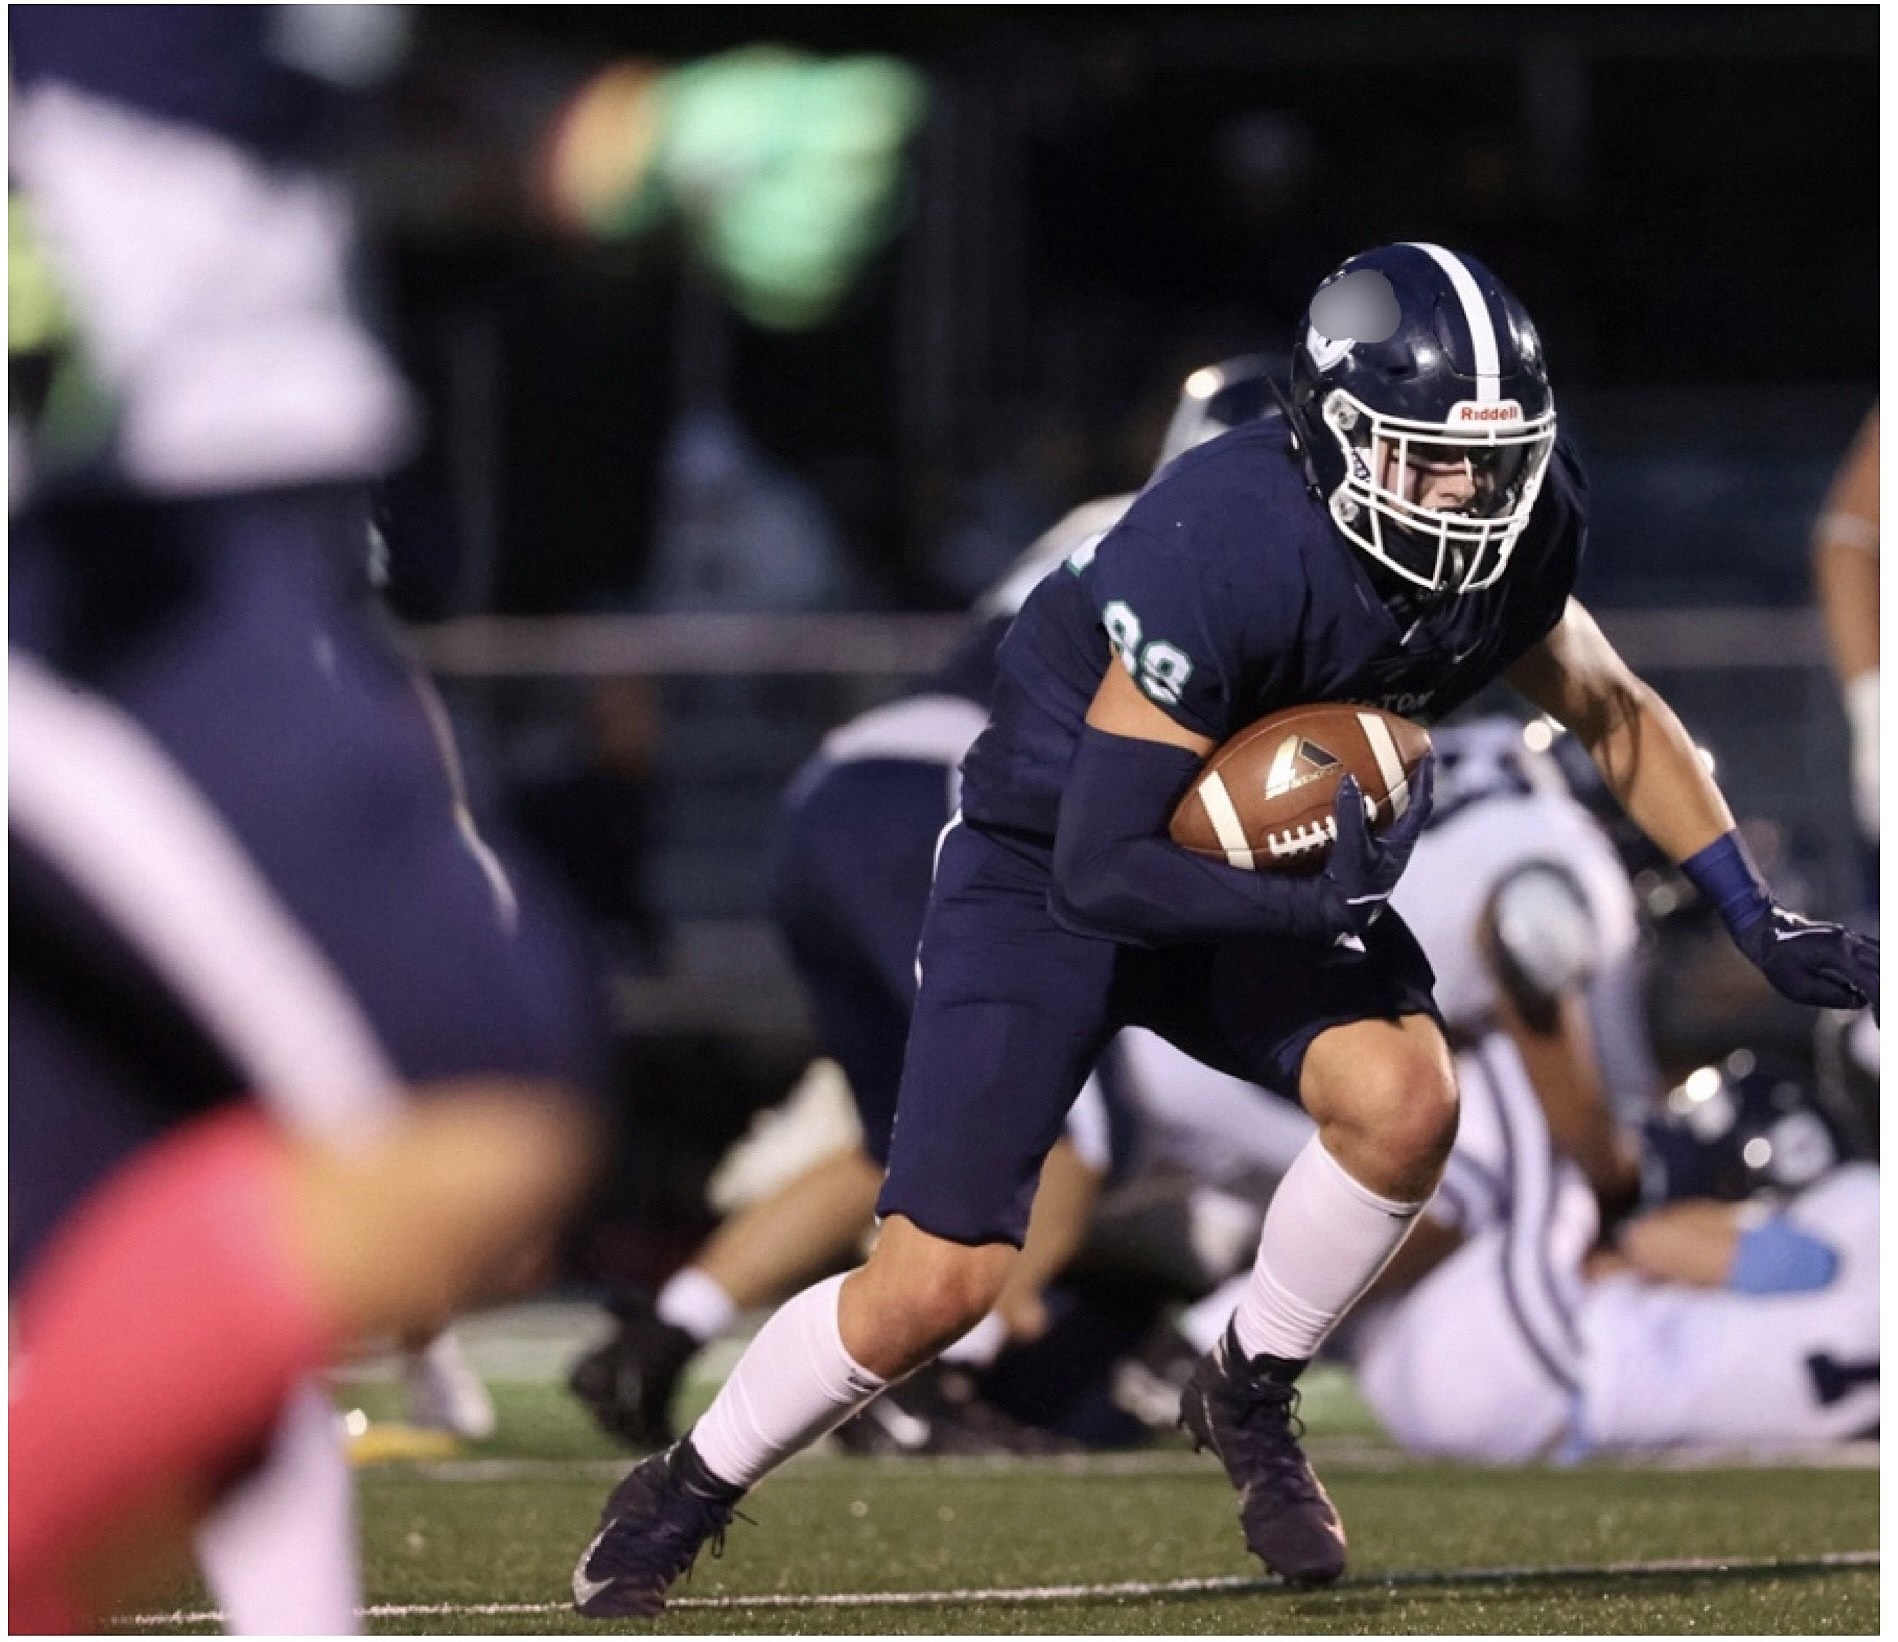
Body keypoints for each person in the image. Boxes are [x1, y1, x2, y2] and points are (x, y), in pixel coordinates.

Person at [571, 242, 1878, 1617]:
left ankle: (1247, 1386)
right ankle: (684, 1488)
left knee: (1402, 1099)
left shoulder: (1510, 529)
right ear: (1330, 431)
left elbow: (1614, 711)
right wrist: (1306, 903)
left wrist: (1754, 912)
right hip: (1049, 859)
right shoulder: (1228, 533)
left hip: (1244, 855)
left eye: (1488, 461)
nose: (1466, 496)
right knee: (936, 1283)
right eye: (1425, 457)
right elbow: (1100, 863)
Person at [8, 11, 603, 1632]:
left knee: (158, 1237)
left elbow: (296, 114)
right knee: (472, 1102)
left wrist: (595, 141)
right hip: (115, 566)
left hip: (219, 547)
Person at [567, 356, 1284, 1456]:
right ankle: (926, 1379)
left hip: (842, 792)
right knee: (1065, 1113)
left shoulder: (1110, 520)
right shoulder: (1230, 563)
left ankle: (661, 1329)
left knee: (896, 1134)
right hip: (944, 803)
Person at [1351, 1048, 1877, 1461]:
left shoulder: (1864, 1205)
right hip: (1530, 1417)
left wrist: (1627, 1218)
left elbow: (1674, 1245)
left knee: (1507, 1082)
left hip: (1534, 1356)